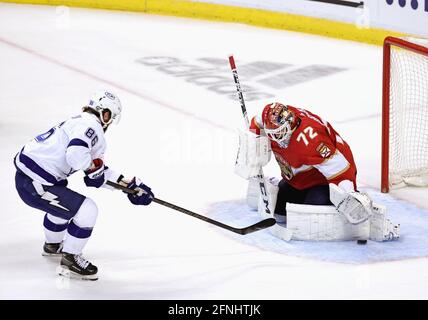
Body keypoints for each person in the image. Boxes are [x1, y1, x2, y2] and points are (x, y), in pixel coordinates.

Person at [13, 90, 154, 280]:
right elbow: (76, 155)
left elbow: (96, 168)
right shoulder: (92, 127)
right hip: (36, 184)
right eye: (110, 117)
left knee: (62, 207)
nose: (109, 122)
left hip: (30, 179)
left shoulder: (80, 121)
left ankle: (53, 245)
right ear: (105, 113)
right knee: (87, 211)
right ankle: (70, 258)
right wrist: (91, 169)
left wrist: (128, 185)